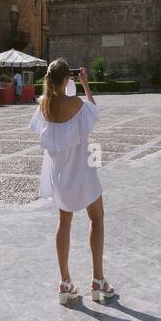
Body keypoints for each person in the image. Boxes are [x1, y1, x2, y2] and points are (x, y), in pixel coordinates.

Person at [29, 59, 115, 305]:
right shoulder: (76, 103)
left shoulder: (43, 105)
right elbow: (94, 113)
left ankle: (65, 283)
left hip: (60, 177)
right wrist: (86, 85)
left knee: (63, 223)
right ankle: (98, 281)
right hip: (83, 172)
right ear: (68, 78)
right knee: (96, 219)